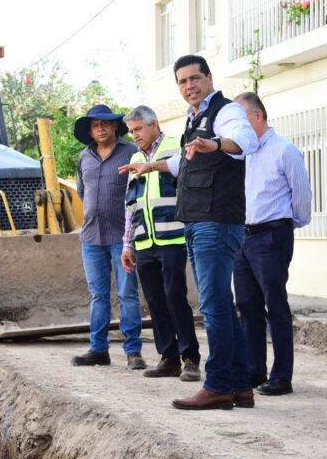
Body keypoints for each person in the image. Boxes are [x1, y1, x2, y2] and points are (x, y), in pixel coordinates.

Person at [119, 55, 258, 410]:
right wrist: (150, 165)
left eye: (194, 78)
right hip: (196, 221)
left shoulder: (226, 112)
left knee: (212, 305)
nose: (188, 86)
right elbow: (184, 160)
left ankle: (218, 385)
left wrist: (216, 144)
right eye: (182, 81)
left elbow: (245, 142)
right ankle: (240, 385)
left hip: (216, 219)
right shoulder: (194, 118)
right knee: (221, 305)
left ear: (209, 77)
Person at [232, 92, 312, 396]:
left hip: (272, 236)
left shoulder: (284, 150)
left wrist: (286, 227)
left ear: (257, 117)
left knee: (275, 305)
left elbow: (301, 195)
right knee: (247, 306)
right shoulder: (242, 154)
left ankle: (282, 376)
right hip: (243, 237)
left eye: (241, 121)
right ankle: (254, 371)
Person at [120, 105, 200, 381]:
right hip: (144, 243)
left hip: (173, 238)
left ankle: (190, 359)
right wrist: (127, 245)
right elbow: (130, 205)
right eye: (131, 131)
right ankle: (168, 358)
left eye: (138, 129)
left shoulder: (175, 147)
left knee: (175, 298)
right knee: (154, 301)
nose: (135, 135)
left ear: (153, 124)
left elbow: (188, 189)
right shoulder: (134, 157)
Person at [71, 104, 146, 370]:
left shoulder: (131, 153)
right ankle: (98, 349)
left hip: (121, 237)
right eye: (94, 125)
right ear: (90, 131)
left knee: (127, 294)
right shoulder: (85, 157)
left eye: (104, 123)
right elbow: (83, 192)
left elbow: (139, 193)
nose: (100, 128)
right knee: (98, 296)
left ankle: (133, 351)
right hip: (91, 237)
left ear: (115, 126)